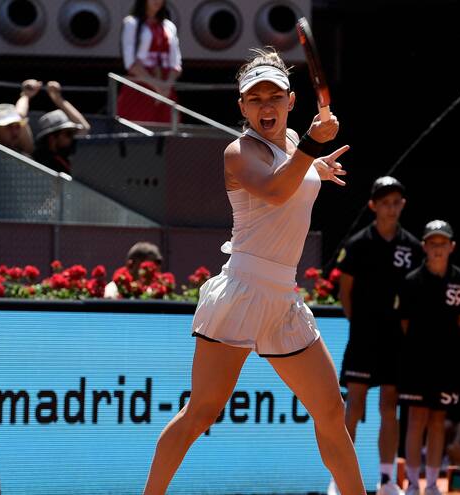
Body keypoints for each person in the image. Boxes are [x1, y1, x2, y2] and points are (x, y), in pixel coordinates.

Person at [141, 47, 365, 495]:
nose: (266, 105)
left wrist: (315, 167)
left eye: (274, 96)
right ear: (242, 106)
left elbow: (292, 175)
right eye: (255, 98)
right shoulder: (237, 152)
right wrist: (311, 149)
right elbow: (275, 191)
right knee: (201, 413)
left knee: (330, 410)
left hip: (283, 299)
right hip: (242, 291)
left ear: (290, 101)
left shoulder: (292, 145)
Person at [332, 176, 423, 495]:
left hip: (395, 340)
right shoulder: (358, 244)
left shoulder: (413, 247)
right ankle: (341, 477)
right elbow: (345, 291)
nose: (391, 208)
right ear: (373, 206)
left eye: (396, 202)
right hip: (363, 338)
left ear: (403, 205)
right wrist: (360, 324)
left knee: (390, 405)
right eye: (385, 202)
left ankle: (386, 480)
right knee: (353, 404)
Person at [397, 220, 460, 495]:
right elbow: (404, 322)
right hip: (417, 361)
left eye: (443, 243)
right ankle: (413, 484)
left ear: (452, 247)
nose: (438, 248)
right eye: (433, 243)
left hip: (447, 362)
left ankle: (431, 484)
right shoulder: (411, 281)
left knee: (439, 420)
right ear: (424, 246)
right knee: (416, 419)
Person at [118, 0, 182, 125]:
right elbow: (130, 63)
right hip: (140, 87)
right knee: (138, 132)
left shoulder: (169, 26)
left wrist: (166, 86)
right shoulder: (131, 23)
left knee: (167, 132)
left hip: (166, 88)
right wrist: (156, 85)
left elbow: (176, 62)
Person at [32, 82, 91, 174]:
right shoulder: (40, 160)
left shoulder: (65, 153)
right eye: (68, 133)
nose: (72, 137)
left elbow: (84, 128)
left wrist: (59, 99)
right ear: (52, 138)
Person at [0, 79, 42, 155]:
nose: (15, 132)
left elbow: (21, 115)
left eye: (18, 126)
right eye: (9, 126)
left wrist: (26, 95)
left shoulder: (23, 152)